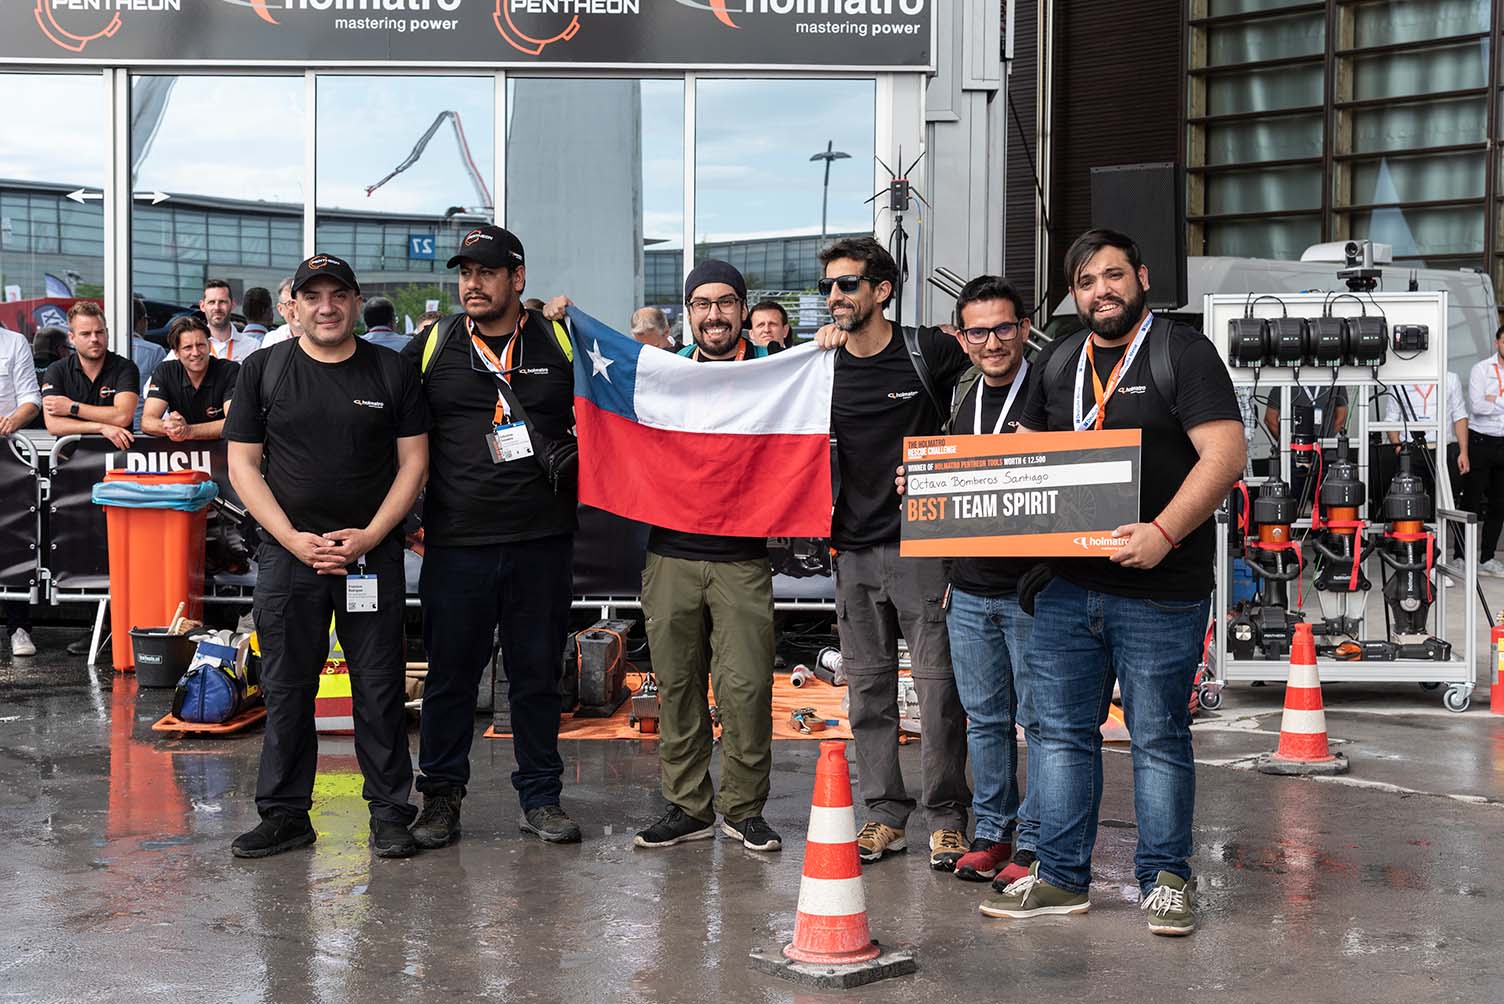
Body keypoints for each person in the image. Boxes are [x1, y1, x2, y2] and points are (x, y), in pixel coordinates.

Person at [982, 229, 1244, 936]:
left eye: (1114, 275)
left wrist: (1163, 533)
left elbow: (1225, 455)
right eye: (1087, 280)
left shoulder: (1181, 353)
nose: (1102, 289)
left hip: (1162, 588)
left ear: (1143, 278)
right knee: (1061, 735)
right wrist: (938, 489)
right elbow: (1026, 461)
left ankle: (1166, 877)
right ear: (1073, 294)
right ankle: (1062, 877)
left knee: (1158, 735)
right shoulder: (1061, 361)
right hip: (1068, 588)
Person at [225, 253, 428, 860]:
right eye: (313, 296)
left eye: (338, 295)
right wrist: (289, 537)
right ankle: (286, 814)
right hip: (291, 557)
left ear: (356, 302)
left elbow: (414, 463)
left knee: (378, 687)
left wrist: (369, 535)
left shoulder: (390, 371)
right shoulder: (264, 369)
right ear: (294, 305)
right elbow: (242, 464)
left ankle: (391, 813)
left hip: (369, 556)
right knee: (287, 688)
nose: (327, 307)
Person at [402, 225, 583, 848]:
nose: (471, 284)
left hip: (542, 540)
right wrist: (401, 517)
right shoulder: (433, 345)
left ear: (518, 278)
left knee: (536, 676)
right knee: (452, 677)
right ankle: (441, 798)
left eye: (485, 272)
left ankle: (541, 796)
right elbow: (388, 426)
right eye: (464, 273)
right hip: (456, 545)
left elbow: (625, 399)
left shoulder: (561, 340)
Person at [811, 235, 971, 869]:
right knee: (867, 693)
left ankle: (947, 817)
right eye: (827, 286)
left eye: (847, 284)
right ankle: (883, 815)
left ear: (882, 290)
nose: (834, 297)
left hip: (921, 547)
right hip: (849, 550)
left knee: (937, 691)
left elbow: (999, 378)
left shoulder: (926, 349)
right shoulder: (818, 366)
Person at [630, 260, 779, 853]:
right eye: (701, 304)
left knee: (745, 690)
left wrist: (829, 342)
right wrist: (566, 325)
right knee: (676, 687)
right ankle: (687, 806)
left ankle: (743, 809)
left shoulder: (776, 372)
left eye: (724, 302)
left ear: (743, 310)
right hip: (669, 554)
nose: (713, 314)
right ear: (687, 314)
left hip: (742, 558)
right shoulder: (663, 376)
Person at [933, 276, 1039, 886]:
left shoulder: (1048, 391)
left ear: (1024, 328)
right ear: (962, 336)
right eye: (979, 331)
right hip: (970, 590)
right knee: (986, 718)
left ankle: (1036, 840)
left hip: (1031, 590)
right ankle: (994, 831)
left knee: (1044, 722)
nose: (992, 342)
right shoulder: (961, 395)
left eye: (1004, 327)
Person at [1383, 372, 1468, 559]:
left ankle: (1438, 560)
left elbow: (1459, 415)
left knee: (1443, 506)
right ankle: (1409, 558)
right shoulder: (1401, 380)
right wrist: (1398, 446)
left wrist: (1464, 451)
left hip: (1441, 449)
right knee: (1410, 507)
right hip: (1411, 451)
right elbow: (1391, 418)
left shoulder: (1450, 378)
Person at [40, 301, 139, 450]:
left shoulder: (125, 367)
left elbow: (122, 416)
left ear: (107, 333)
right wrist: (101, 427)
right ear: (71, 338)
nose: (94, 339)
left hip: (117, 460)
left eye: (99, 332)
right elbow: (54, 425)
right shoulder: (57, 370)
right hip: (70, 460)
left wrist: (71, 408)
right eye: (85, 334)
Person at [0, 323, 41, 657]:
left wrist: (13, 420)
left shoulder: (14, 343)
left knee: (13, 541)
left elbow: (31, 399)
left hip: (7, 455)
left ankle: (19, 628)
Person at [142, 313, 238, 441]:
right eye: (188, 347)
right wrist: (168, 426)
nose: (196, 353)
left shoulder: (229, 371)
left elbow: (233, 422)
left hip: (224, 455)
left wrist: (189, 431)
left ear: (209, 345)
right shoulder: (165, 371)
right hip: (181, 456)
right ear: (176, 352)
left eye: (200, 345)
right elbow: (147, 421)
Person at [1466, 326, 1504, 575]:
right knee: (1470, 501)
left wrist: (1495, 399)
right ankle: (1461, 556)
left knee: (1499, 504)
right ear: (1496, 343)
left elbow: (1487, 402)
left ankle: (1487, 558)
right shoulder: (1481, 369)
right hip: (1480, 441)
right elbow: (1477, 406)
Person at [130, 298, 166, 432]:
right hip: (141, 429)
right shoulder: (155, 352)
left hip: (108, 430)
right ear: (141, 321)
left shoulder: (103, 350)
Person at [201, 279, 259, 360]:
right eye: (211, 302)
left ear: (233, 304)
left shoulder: (252, 346)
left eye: (222, 302)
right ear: (202, 306)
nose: (217, 308)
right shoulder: (193, 347)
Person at [260, 277, 301, 349]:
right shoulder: (273, 339)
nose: (297, 309)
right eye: (290, 303)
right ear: (280, 309)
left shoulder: (322, 334)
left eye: (300, 302)